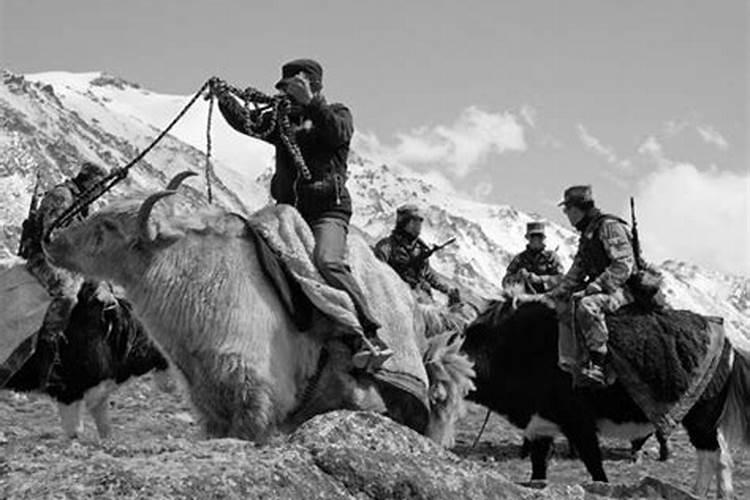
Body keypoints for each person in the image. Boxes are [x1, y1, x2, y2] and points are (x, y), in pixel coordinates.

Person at [213, 59, 391, 371]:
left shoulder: (337, 113)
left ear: (315, 85)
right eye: (284, 88)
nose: (288, 94)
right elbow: (250, 123)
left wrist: (312, 103)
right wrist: (224, 100)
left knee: (327, 261)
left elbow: (338, 135)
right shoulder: (281, 120)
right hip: (288, 211)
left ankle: (368, 331)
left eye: (295, 87)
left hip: (327, 210)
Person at [539, 185, 636, 387]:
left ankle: (598, 364)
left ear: (576, 209)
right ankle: (569, 362)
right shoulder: (588, 234)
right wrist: (554, 294)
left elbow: (623, 265)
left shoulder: (608, 227)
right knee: (563, 304)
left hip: (624, 289)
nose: (566, 215)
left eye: (567, 210)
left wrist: (596, 286)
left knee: (587, 305)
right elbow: (576, 272)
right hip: (604, 286)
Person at [24, 161, 109, 388]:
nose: (101, 190)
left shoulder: (83, 202)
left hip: (62, 259)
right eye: (99, 184)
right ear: (89, 180)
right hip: (41, 258)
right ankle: (44, 357)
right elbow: (50, 237)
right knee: (66, 295)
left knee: (98, 291)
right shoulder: (62, 197)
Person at [374, 204, 460, 305]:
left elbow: (428, 274)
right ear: (404, 223)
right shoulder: (387, 247)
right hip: (397, 300)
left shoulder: (420, 248)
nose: (418, 225)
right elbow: (377, 276)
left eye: (420, 221)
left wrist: (448, 290)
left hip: (423, 298)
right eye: (414, 221)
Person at [502, 221, 564, 293]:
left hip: (548, 298)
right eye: (533, 237)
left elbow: (561, 279)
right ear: (528, 238)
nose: (536, 240)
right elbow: (505, 282)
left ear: (543, 238)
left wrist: (539, 279)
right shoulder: (519, 259)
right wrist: (517, 277)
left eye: (539, 237)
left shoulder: (551, 257)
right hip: (523, 298)